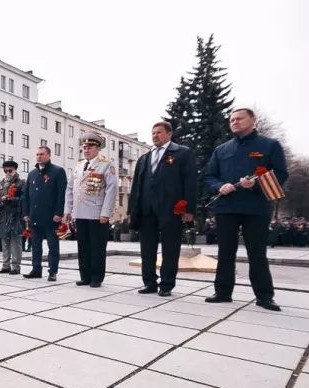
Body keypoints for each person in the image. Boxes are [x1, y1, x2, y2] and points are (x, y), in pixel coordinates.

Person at [204, 108, 288, 311]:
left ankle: (264, 296)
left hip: (256, 207)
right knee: (225, 252)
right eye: (231, 119)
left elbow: (281, 173)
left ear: (252, 120)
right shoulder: (222, 149)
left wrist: (257, 183)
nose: (234, 122)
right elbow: (209, 176)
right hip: (226, 207)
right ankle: (223, 292)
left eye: (239, 118)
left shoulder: (269, 146)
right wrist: (218, 186)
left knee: (257, 253)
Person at [127, 121, 196, 296]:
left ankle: (166, 284)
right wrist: (131, 210)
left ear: (169, 134)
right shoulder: (145, 158)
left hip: (171, 209)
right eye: (153, 133)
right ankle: (149, 282)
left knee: (170, 249)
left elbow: (190, 182)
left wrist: (189, 209)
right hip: (146, 209)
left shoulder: (182, 153)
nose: (155, 136)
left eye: (159, 132)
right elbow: (136, 186)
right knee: (147, 249)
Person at [64, 132, 118, 287]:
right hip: (80, 213)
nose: (86, 150)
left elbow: (111, 189)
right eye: (84, 147)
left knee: (97, 247)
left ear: (98, 148)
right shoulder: (78, 166)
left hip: (97, 213)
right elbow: (70, 188)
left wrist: (106, 212)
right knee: (83, 246)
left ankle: (96, 277)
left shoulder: (106, 164)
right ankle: (85, 275)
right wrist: (68, 209)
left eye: (90, 147)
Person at [22, 145, 67, 281]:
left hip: (51, 216)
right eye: (37, 154)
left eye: (42, 154)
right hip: (35, 215)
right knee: (36, 245)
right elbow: (26, 195)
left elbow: (61, 194)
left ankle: (52, 271)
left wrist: (59, 213)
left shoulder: (57, 171)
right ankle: (36, 269)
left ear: (49, 155)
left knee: (52, 246)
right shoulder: (32, 173)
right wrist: (26, 213)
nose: (39, 157)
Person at [0, 160, 26, 275]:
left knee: (15, 242)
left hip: (15, 215)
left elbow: (24, 198)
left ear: (15, 170)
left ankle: (16, 267)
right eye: (5, 170)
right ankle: (5, 265)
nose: (7, 173)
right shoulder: (1, 183)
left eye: (10, 170)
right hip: (2, 215)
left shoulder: (21, 182)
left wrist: (11, 199)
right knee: (4, 242)